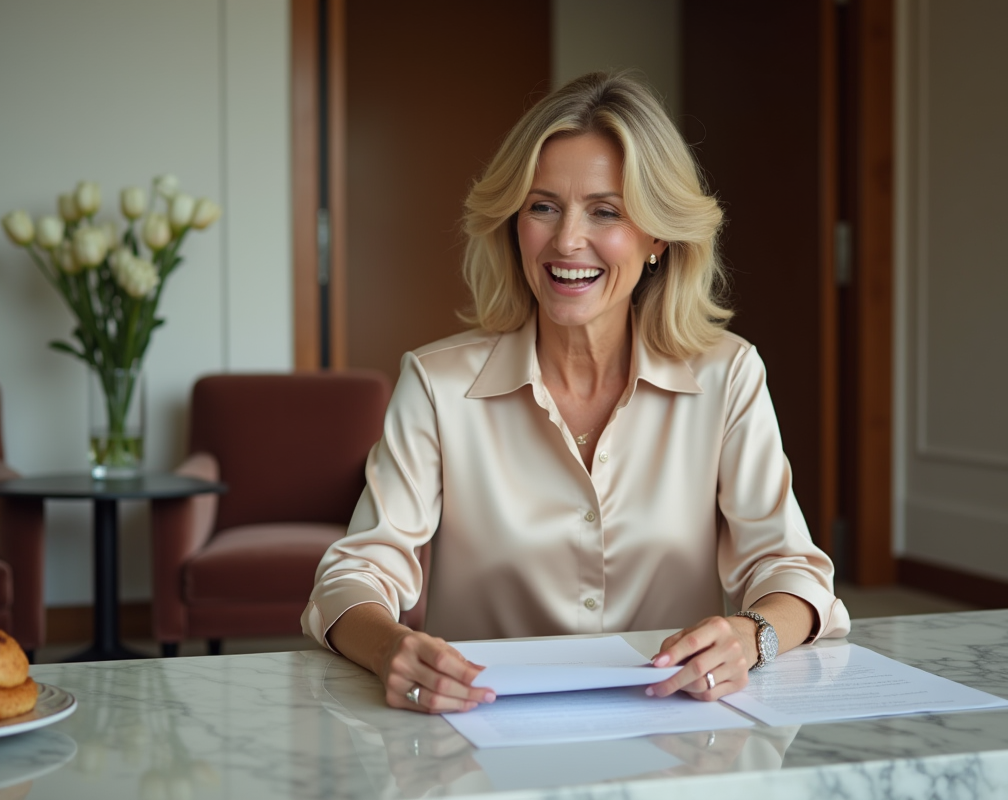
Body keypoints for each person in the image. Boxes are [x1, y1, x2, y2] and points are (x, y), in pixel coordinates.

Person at [301, 71, 850, 714]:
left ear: (657, 237)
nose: (566, 241)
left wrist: (750, 636)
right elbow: (353, 575)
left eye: (606, 211)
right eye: (543, 206)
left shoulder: (728, 376)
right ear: (513, 222)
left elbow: (791, 570)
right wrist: (391, 647)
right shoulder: (436, 384)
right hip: (484, 731)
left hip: (673, 730)